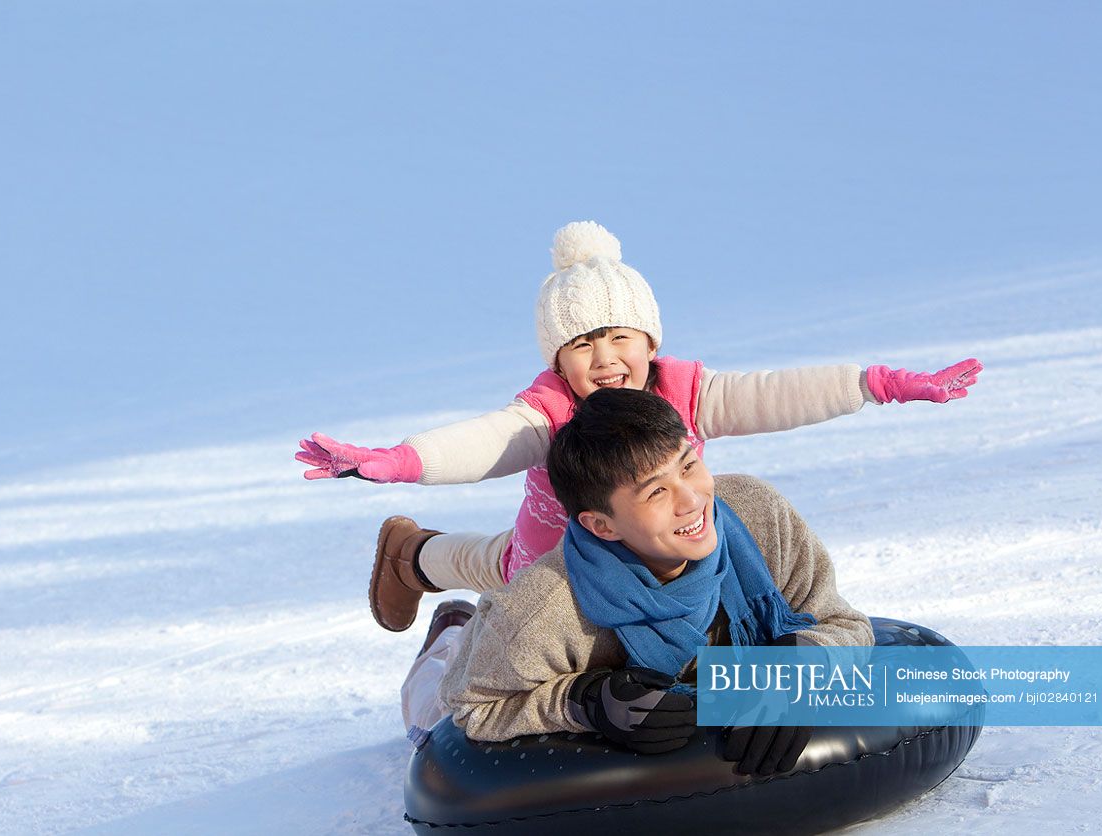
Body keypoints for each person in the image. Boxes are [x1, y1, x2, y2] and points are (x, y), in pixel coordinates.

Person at [296, 221, 980, 632]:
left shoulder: (687, 392)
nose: (604, 358)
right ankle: (410, 555)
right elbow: (485, 441)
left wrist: (880, 384)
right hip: (564, 542)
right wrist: (399, 460)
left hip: (654, 534)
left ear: (648, 341)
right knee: (508, 574)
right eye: (581, 345)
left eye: (619, 336)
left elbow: (778, 393)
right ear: (559, 359)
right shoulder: (551, 411)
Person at [404, 388, 873, 777]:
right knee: (433, 705)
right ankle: (447, 635)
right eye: (656, 492)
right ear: (602, 525)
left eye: (688, 466)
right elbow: (471, 706)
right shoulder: (542, 611)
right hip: (486, 666)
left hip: (519, 650)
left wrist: (797, 669)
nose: (691, 501)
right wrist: (584, 700)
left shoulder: (757, 513)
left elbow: (842, 622)